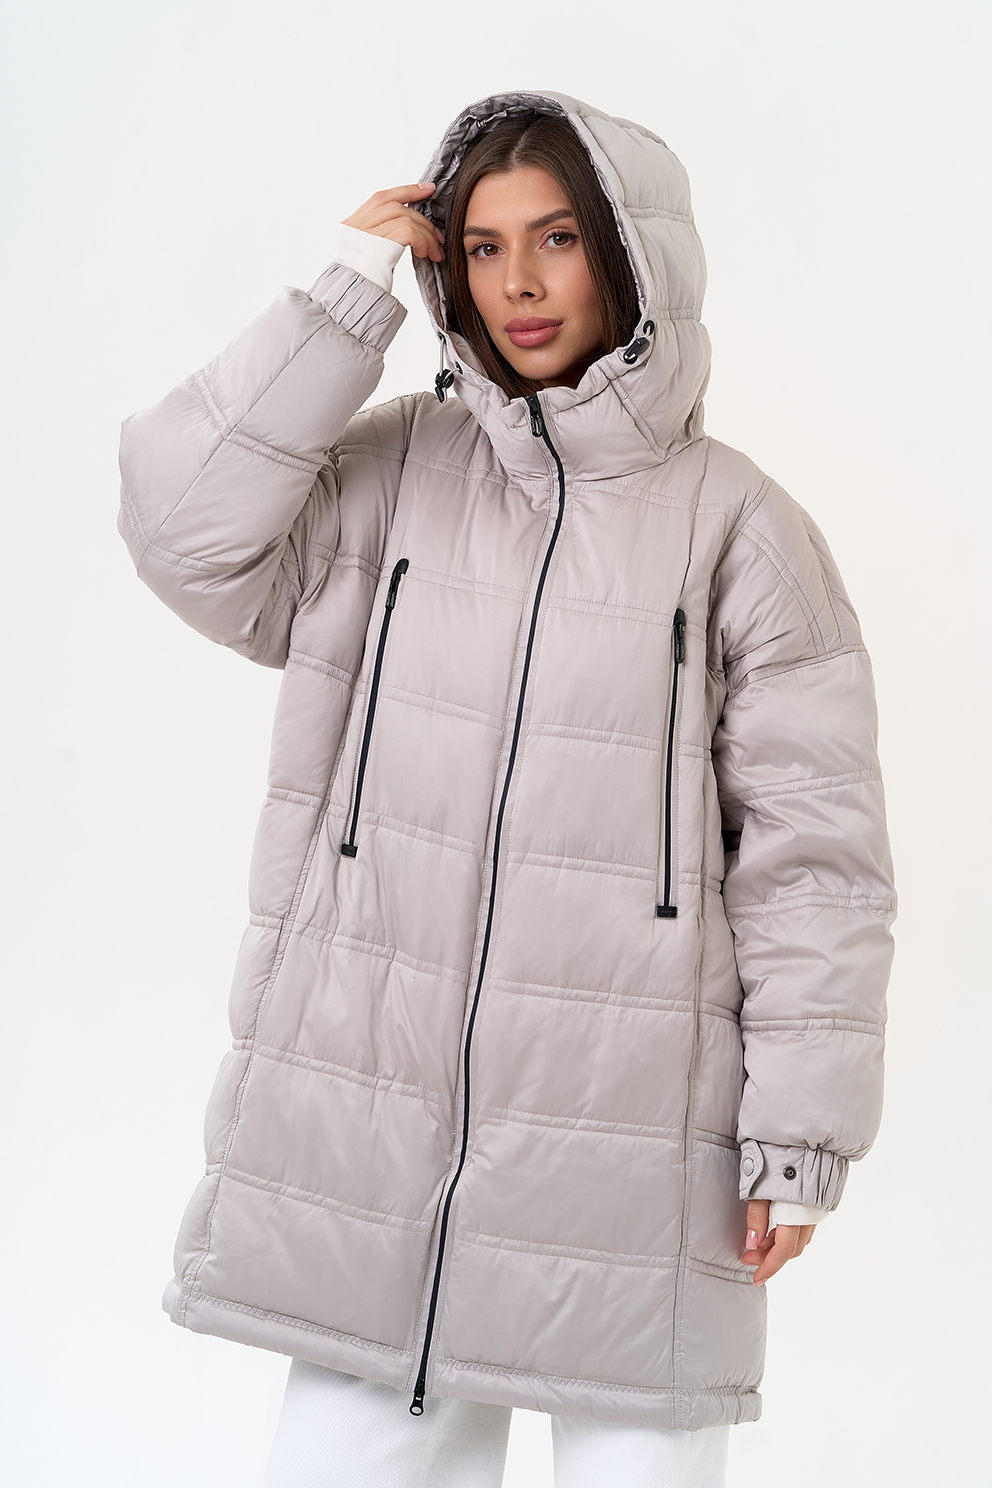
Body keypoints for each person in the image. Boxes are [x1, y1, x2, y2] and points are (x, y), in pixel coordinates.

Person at [118, 91, 896, 1487]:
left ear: (631, 255)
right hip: (378, 1128)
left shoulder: (741, 529)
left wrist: (800, 1135)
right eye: (482, 248)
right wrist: (346, 291)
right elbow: (184, 533)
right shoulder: (390, 471)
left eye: (557, 239)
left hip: (639, 1141)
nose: (521, 282)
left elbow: (815, 860)